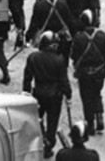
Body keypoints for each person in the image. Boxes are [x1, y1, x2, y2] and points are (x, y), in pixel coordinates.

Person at [23, 31, 72, 159]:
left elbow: (27, 77)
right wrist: (68, 94)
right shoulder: (59, 60)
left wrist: (26, 93)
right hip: (55, 96)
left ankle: (41, 139)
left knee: (36, 119)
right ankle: (48, 144)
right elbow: (63, 80)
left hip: (38, 92)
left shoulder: (33, 57)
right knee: (52, 122)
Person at [71, 9, 105, 136]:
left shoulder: (78, 37)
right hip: (99, 72)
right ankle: (99, 115)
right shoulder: (102, 35)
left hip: (84, 73)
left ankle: (90, 125)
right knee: (97, 93)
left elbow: (73, 56)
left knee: (86, 98)